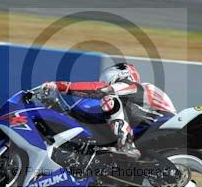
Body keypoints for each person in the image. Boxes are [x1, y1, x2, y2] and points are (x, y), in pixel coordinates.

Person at [42, 63, 176, 159]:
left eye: (107, 80)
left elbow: (101, 90)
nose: (105, 83)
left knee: (109, 100)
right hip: (144, 126)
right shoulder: (127, 102)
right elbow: (76, 121)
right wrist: (53, 104)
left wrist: (61, 87)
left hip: (159, 120)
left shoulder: (136, 87)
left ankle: (126, 145)